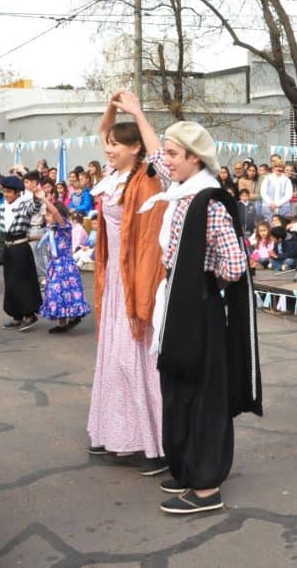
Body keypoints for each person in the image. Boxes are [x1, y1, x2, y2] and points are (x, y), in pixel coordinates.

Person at [120, 91, 260, 516]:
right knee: (177, 388)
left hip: (198, 307)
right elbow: (154, 155)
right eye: (166, 152)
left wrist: (200, 280)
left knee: (202, 396)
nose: (165, 160)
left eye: (174, 154)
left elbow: (234, 266)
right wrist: (138, 114)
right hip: (177, 304)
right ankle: (185, 467)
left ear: (195, 158)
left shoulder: (209, 200)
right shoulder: (181, 188)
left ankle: (206, 486)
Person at [87, 95, 169, 477]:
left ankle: (155, 444)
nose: (109, 149)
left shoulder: (147, 177)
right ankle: (119, 433)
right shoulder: (114, 175)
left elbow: (158, 155)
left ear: (135, 148)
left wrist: (137, 113)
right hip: (115, 280)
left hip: (139, 277)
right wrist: (111, 108)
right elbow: (103, 130)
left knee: (136, 359)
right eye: (109, 145)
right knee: (116, 358)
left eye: (117, 145)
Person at [36, 189, 91, 333]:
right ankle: (62, 323)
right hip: (55, 266)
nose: (47, 217)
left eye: (48, 215)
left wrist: (44, 199)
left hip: (64, 266)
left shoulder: (64, 227)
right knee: (58, 294)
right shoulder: (53, 230)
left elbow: (55, 213)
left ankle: (72, 317)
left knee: (65, 292)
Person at [0, 175, 43, 331]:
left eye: (9, 192)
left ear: (17, 192)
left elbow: (34, 208)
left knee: (23, 282)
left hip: (20, 247)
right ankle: (16, 316)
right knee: (10, 282)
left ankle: (30, 315)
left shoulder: (24, 205)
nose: (6, 194)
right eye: (4, 191)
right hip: (8, 248)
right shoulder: (2, 206)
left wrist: (37, 197)